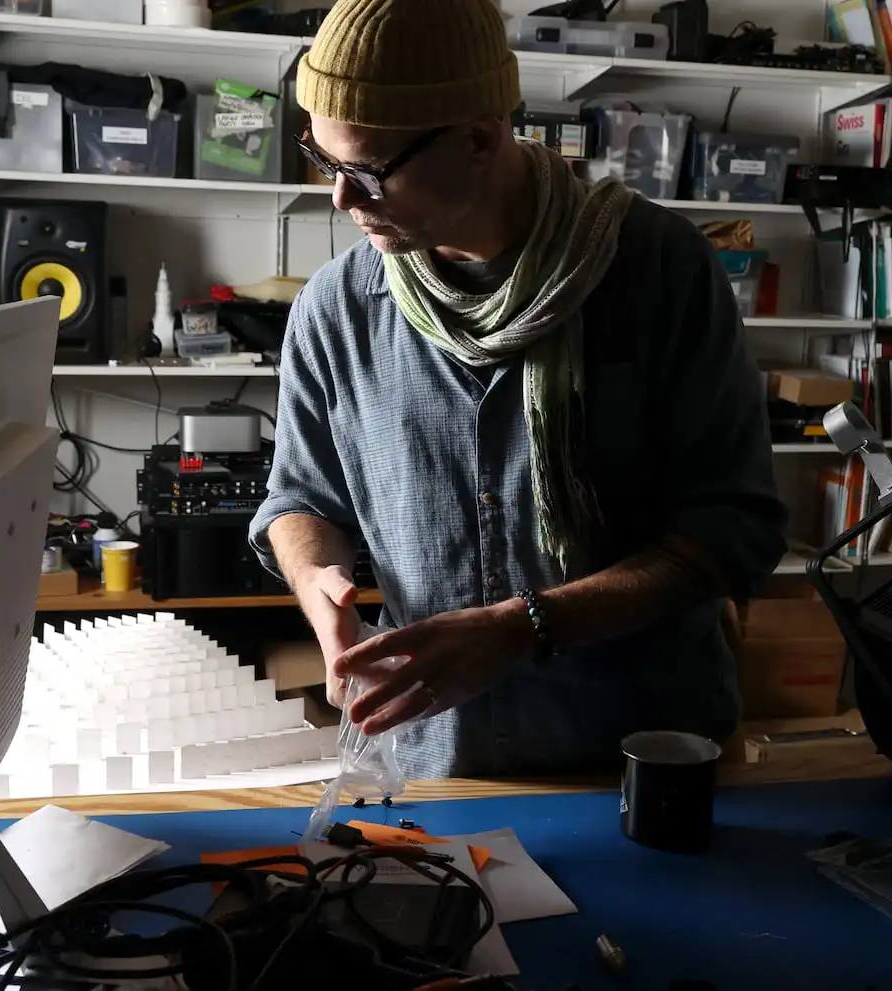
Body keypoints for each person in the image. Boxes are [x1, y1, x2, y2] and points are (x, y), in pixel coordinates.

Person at [248, 0, 789, 780]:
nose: (340, 199)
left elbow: (734, 527)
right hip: (432, 762)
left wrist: (523, 626)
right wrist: (316, 578)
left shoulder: (658, 270)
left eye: (366, 170)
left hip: (643, 759)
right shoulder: (335, 306)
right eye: (324, 161)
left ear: (478, 138)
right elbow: (299, 498)